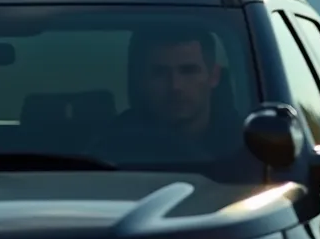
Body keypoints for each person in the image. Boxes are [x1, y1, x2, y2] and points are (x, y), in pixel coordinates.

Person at [86, 25, 244, 171]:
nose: (175, 86)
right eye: (159, 73)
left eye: (188, 71)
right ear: (141, 79)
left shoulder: (250, 147)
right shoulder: (112, 148)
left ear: (214, 76)